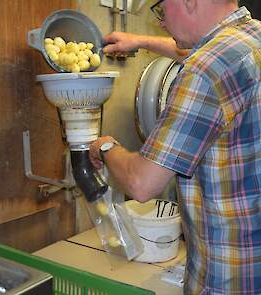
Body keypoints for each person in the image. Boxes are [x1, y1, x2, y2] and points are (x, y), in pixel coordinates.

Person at [89, 0, 261, 294]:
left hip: (225, 280)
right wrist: (139, 41)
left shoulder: (204, 70)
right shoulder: (252, 36)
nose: (162, 22)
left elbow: (141, 183)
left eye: (162, 8)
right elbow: (203, 51)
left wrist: (106, 147)